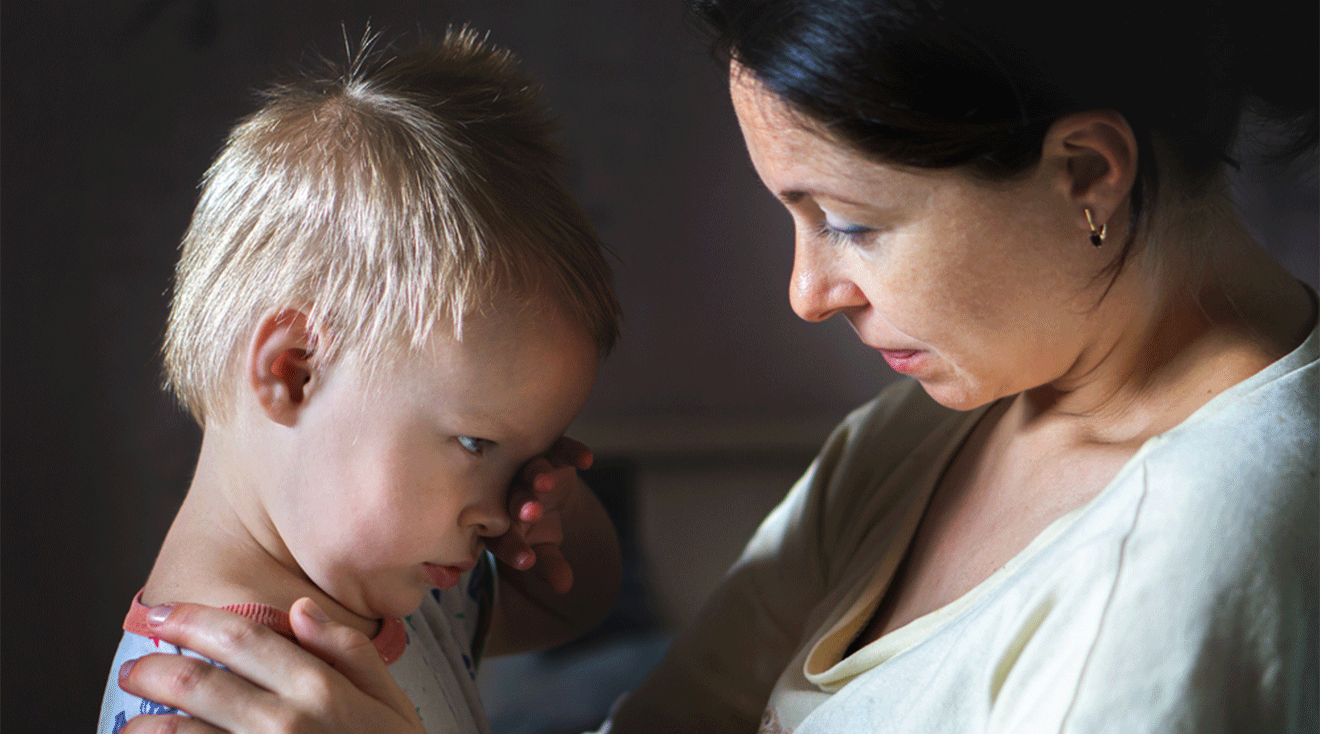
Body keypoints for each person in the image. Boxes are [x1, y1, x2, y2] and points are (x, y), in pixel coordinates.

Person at [115, 0, 1318, 732]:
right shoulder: (950, 420)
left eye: (848, 219)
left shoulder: (1196, 555)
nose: (806, 291)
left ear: (1085, 174)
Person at [99, 27, 624, 734]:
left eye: (528, 457)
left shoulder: (395, 581)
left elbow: (576, 603)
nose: (497, 512)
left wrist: (549, 517)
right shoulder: (210, 703)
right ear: (294, 372)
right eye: (476, 444)